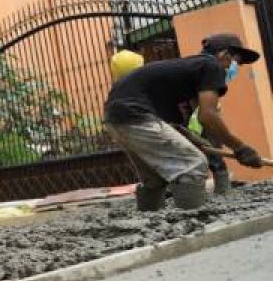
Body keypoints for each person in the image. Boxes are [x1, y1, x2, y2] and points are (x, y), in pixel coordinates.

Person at [103, 33, 265, 211]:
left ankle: (150, 222)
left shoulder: (188, 70)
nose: (235, 68)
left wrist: (190, 138)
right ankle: (194, 223)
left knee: (155, 178)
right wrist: (241, 148)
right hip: (135, 114)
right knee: (193, 165)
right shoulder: (211, 66)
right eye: (237, 62)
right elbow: (208, 116)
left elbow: (184, 118)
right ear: (224, 54)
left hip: (115, 116)